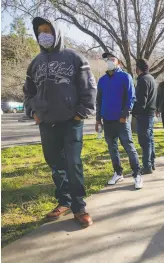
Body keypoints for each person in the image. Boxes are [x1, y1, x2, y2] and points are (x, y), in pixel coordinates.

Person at [23, 17, 96, 227]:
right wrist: (33, 112)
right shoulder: (35, 63)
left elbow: (89, 89)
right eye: (40, 31)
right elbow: (28, 92)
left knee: (73, 164)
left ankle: (79, 207)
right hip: (46, 123)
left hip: (71, 122)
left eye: (48, 30)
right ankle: (64, 201)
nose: (44, 34)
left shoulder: (74, 58)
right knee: (55, 164)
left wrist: (80, 113)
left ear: (57, 32)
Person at [96, 52, 142, 189]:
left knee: (129, 147)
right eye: (107, 60)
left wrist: (125, 114)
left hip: (121, 120)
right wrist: (98, 118)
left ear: (118, 63)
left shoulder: (125, 77)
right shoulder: (102, 80)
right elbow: (99, 100)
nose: (109, 61)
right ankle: (118, 172)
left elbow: (131, 98)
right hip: (107, 120)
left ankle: (137, 174)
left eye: (112, 59)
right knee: (112, 148)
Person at [133, 59, 157, 175]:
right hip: (150, 113)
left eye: (136, 67)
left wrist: (135, 111)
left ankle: (147, 166)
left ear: (139, 68)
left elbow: (142, 101)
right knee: (150, 139)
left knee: (145, 140)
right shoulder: (151, 79)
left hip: (144, 114)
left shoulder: (143, 80)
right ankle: (152, 163)